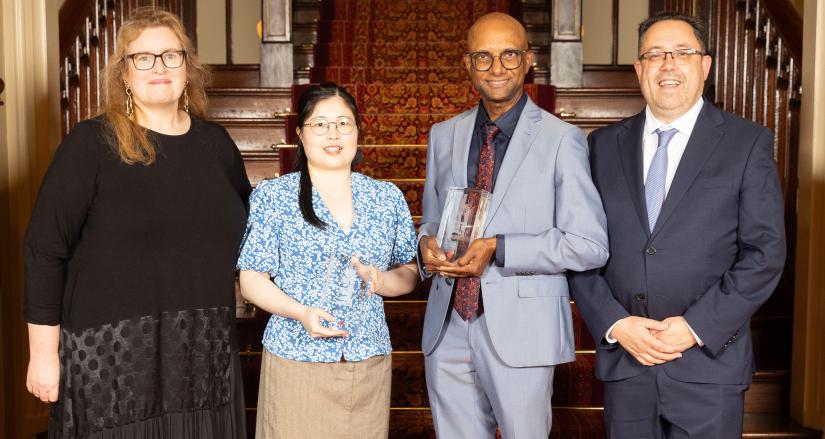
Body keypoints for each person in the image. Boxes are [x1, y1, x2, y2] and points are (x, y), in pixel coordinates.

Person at [24, 8, 250, 438]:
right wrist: (44, 355)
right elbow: (43, 250)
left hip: (203, 364)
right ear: (124, 74)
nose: (159, 67)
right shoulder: (91, 144)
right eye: (142, 58)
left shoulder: (217, 146)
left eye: (171, 55)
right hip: (114, 369)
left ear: (189, 68)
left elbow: (255, 239)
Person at [568, 11, 786, 438]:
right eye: (655, 55)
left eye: (682, 53)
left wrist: (694, 327)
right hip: (628, 365)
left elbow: (765, 254)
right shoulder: (602, 146)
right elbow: (580, 247)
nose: (668, 65)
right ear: (639, 68)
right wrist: (615, 323)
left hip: (710, 368)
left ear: (704, 65)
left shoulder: (747, 143)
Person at [417, 12, 609, 438]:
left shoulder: (563, 139)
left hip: (522, 329)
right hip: (448, 325)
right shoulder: (443, 134)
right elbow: (432, 217)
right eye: (483, 57)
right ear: (467, 65)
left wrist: (498, 247)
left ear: (528, 62)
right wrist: (426, 242)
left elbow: (588, 243)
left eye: (509, 55)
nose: (496, 67)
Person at [237, 82, 419, 439]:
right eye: (320, 124)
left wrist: (381, 281)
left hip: (367, 360)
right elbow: (251, 280)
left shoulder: (385, 198)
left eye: (343, 123)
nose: (333, 133)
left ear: (357, 132)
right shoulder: (274, 197)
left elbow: (409, 272)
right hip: (296, 360)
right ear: (301, 135)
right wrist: (302, 313)